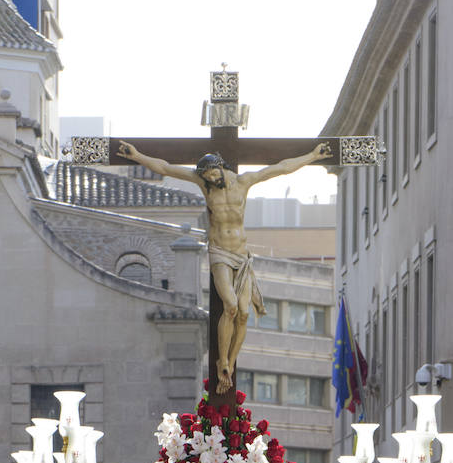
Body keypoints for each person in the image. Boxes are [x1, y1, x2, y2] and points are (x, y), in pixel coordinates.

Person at [117, 140, 331, 392]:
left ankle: (229, 362)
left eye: (211, 173)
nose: (209, 178)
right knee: (229, 306)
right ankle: (221, 362)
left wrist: (312, 156)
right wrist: (138, 155)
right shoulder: (204, 185)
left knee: (244, 313)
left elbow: (281, 167)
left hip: (241, 255)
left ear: (221, 167)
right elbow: (165, 168)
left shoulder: (244, 182)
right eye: (205, 176)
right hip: (219, 252)